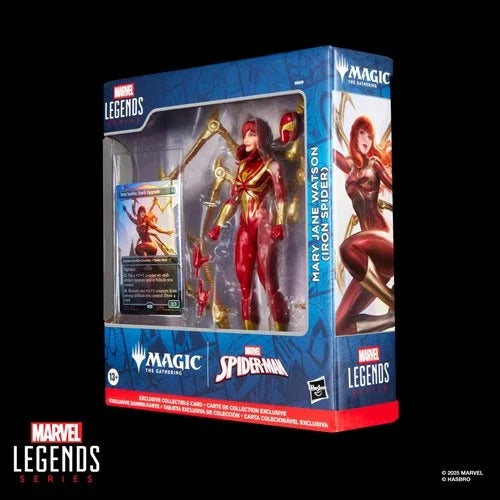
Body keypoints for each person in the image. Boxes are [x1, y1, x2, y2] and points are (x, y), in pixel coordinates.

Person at [208, 119, 289, 331]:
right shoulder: (242, 167)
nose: (246, 139)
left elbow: (280, 197)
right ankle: (249, 334)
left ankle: (281, 333)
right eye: (245, 134)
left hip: (263, 227)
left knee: (269, 282)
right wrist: (218, 225)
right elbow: (232, 200)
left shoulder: (272, 166)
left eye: (252, 134)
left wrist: (280, 223)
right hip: (245, 228)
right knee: (244, 283)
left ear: (262, 137)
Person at [334, 116, 394, 335]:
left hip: (382, 242)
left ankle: (391, 299)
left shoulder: (374, 164)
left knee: (347, 248)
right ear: (354, 135)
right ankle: (390, 318)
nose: (367, 140)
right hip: (367, 262)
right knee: (339, 326)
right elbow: (329, 152)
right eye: (362, 133)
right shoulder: (351, 167)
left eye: (370, 136)